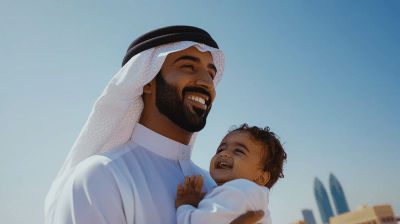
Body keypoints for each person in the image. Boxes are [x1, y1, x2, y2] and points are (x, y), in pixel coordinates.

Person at [44, 26, 265, 224]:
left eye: (211, 73)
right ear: (147, 80)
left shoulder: (218, 187)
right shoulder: (102, 177)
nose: (207, 83)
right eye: (188, 66)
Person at [175, 124, 287, 224]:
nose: (224, 153)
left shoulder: (241, 191)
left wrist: (185, 205)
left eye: (238, 151)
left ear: (261, 177)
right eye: (220, 150)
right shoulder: (250, 198)